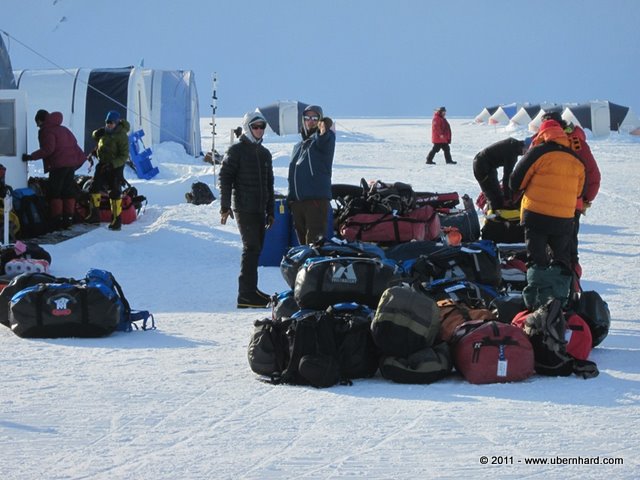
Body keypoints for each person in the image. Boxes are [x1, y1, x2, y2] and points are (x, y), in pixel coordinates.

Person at [509, 119, 585, 310]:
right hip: (564, 219)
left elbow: (515, 181)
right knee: (561, 260)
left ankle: (536, 303)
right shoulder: (576, 159)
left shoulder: (538, 152)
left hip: (536, 215)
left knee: (537, 259)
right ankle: (560, 303)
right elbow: (579, 191)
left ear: (542, 135)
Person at [219, 111, 275, 309]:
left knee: (256, 249)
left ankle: (252, 290)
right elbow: (225, 178)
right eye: (255, 126)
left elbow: (269, 183)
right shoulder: (236, 151)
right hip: (244, 207)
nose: (259, 130)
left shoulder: (264, 153)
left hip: (260, 208)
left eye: (262, 127)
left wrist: (271, 210)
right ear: (247, 128)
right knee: (250, 248)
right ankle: (245, 295)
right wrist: (225, 206)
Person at [536, 111, 601, 280]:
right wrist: (585, 199)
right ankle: (570, 288)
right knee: (570, 251)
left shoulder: (541, 141)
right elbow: (593, 175)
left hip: (541, 206)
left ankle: (545, 290)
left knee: (540, 251)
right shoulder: (577, 142)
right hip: (572, 206)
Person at [22, 109, 85, 230]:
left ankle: (57, 219)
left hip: (58, 165)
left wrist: (31, 157)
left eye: (38, 123)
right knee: (67, 191)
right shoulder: (64, 129)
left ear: (41, 120)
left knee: (55, 192)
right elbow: (74, 144)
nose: (37, 126)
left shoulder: (47, 130)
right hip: (70, 165)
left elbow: (48, 149)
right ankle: (68, 218)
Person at [287, 105, 336, 244]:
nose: (311, 121)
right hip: (298, 202)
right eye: (307, 118)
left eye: (315, 118)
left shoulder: (324, 139)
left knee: (314, 245)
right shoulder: (299, 146)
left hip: (316, 201)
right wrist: (291, 199)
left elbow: (324, 140)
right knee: (303, 246)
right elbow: (293, 174)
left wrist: (324, 129)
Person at [85, 110, 130, 230]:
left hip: (115, 167)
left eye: (111, 123)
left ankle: (116, 220)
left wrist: (113, 164)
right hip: (102, 164)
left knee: (114, 192)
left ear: (116, 123)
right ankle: (94, 215)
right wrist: (96, 132)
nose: (109, 125)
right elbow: (95, 136)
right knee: (94, 187)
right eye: (107, 122)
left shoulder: (121, 135)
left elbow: (124, 155)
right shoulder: (104, 131)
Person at [473, 136, 531, 211]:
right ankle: (493, 220)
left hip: (488, 165)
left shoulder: (513, 144)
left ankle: (495, 214)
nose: (526, 155)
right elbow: (507, 178)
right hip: (481, 166)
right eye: (528, 151)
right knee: (493, 198)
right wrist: (508, 199)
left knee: (498, 195)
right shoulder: (512, 154)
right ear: (524, 147)